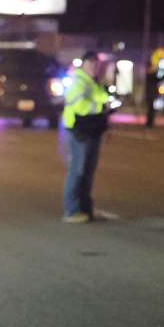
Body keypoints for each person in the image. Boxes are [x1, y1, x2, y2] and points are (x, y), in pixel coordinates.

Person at [60, 52, 112, 223]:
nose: (93, 67)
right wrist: (101, 106)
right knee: (78, 170)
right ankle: (71, 210)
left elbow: (101, 99)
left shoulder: (92, 82)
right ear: (82, 64)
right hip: (80, 131)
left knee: (87, 172)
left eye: (95, 64)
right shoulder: (79, 82)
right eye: (90, 63)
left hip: (91, 131)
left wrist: (107, 103)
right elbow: (80, 106)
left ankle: (85, 209)